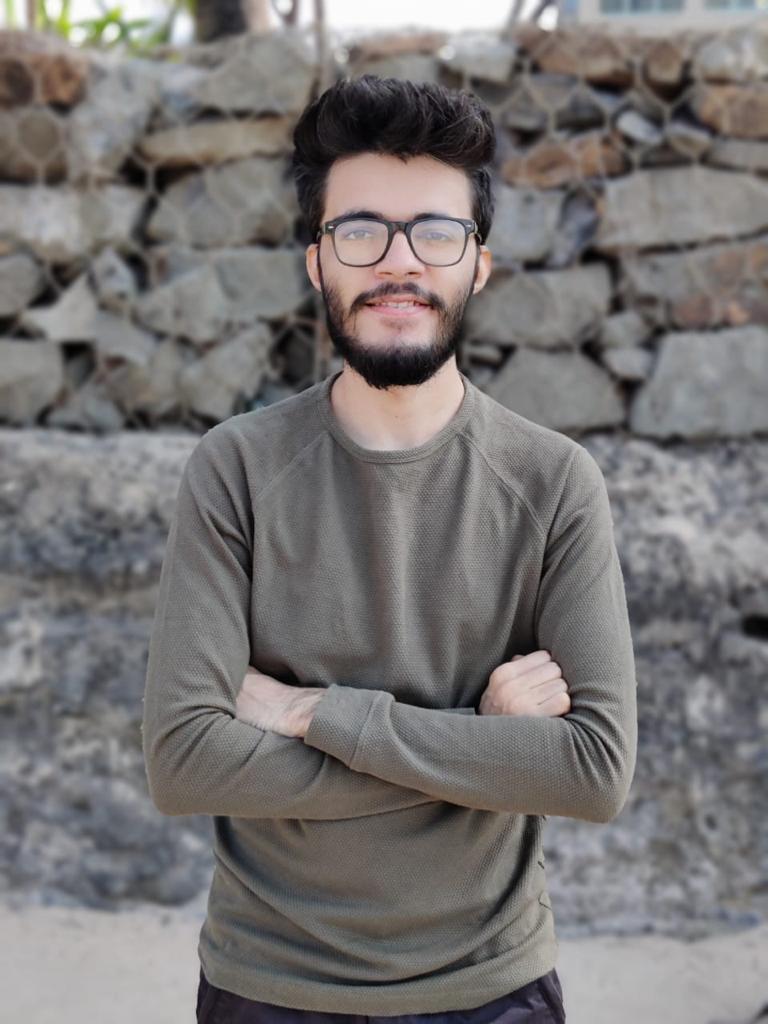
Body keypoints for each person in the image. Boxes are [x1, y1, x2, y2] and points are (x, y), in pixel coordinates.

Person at [141, 75, 637, 1024]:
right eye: (360, 230)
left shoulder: (553, 483)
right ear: (316, 262)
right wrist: (483, 745)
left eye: (436, 233)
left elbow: (592, 772)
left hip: (490, 986)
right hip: (268, 983)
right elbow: (186, 762)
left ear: (478, 265)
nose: (398, 262)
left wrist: (310, 713)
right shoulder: (235, 469)